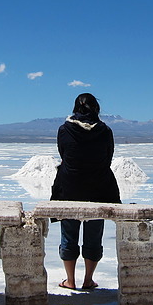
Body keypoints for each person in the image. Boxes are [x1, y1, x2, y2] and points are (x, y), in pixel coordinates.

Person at [50, 93, 120, 291]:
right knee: (94, 234)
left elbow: (64, 154)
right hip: (99, 188)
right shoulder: (105, 131)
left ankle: (70, 280)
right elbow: (108, 157)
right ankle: (88, 279)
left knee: (69, 233)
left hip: (69, 187)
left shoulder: (64, 130)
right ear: (96, 108)